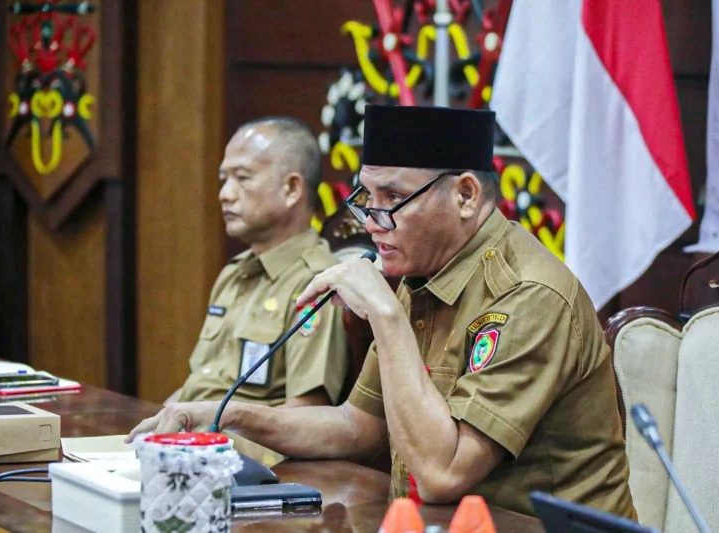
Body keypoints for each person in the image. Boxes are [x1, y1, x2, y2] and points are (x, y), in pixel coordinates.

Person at [129, 105, 636, 519]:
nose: (373, 222)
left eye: (392, 197)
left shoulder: (528, 295)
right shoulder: (426, 268)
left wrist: (386, 318)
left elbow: (444, 474)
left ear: (465, 195)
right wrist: (230, 416)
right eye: (366, 197)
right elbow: (358, 426)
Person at [166, 117, 348, 409]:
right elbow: (197, 387)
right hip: (196, 432)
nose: (225, 194)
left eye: (242, 178)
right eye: (224, 180)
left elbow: (308, 411)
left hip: (240, 438)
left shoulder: (316, 283)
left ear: (291, 189)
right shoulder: (234, 274)